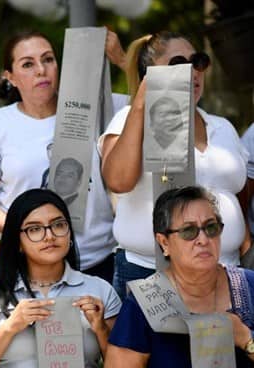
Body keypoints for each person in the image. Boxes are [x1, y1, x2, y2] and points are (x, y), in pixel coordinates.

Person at [0, 30, 127, 284]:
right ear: (11, 77)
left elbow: (158, 104)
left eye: (48, 59)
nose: (41, 70)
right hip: (30, 266)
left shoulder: (98, 107)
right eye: (28, 64)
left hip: (100, 260)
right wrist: (26, 229)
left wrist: (122, 60)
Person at [99, 31, 249, 301]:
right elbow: (118, 181)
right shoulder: (127, 119)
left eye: (198, 62)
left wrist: (244, 240)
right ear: (150, 72)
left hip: (226, 271)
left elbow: (238, 191)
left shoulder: (221, 126)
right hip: (149, 270)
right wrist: (141, 106)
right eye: (178, 62)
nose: (191, 71)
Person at [0, 189, 121, 368]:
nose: (49, 235)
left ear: (70, 233)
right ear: (17, 242)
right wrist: (9, 328)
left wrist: (101, 330)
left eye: (58, 225)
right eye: (34, 229)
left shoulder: (99, 290)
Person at [101, 186, 254, 368]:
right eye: (189, 231)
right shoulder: (145, 301)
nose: (203, 239)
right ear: (164, 243)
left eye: (211, 228)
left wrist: (246, 339)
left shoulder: (249, 286)